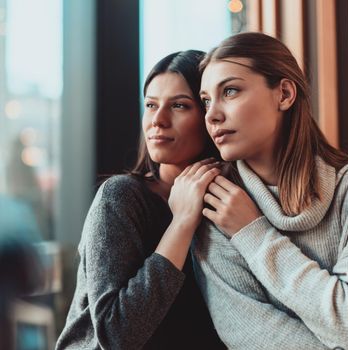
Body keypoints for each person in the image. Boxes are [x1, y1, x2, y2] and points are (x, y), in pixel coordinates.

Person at [193, 32, 348, 350]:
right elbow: (251, 337)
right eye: (206, 100)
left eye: (230, 91)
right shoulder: (217, 206)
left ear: (285, 94)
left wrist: (253, 233)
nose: (211, 115)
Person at [56, 50, 225, 349]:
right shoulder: (121, 197)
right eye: (151, 105)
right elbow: (116, 335)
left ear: (210, 115)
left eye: (179, 106)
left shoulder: (226, 201)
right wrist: (181, 223)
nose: (157, 120)